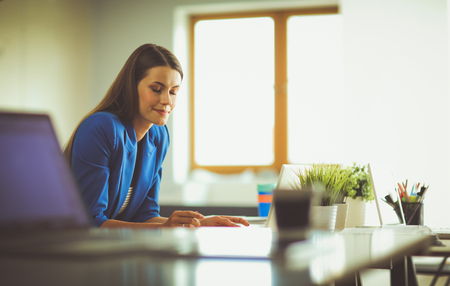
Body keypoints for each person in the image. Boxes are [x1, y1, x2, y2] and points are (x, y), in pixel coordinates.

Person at [63, 43, 249, 229]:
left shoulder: (158, 136)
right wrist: (163, 227)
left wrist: (201, 223)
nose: (167, 100)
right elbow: (90, 223)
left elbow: (145, 216)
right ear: (131, 86)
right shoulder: (101, 128)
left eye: (173, 91)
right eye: (156, 89)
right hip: (68, 246)